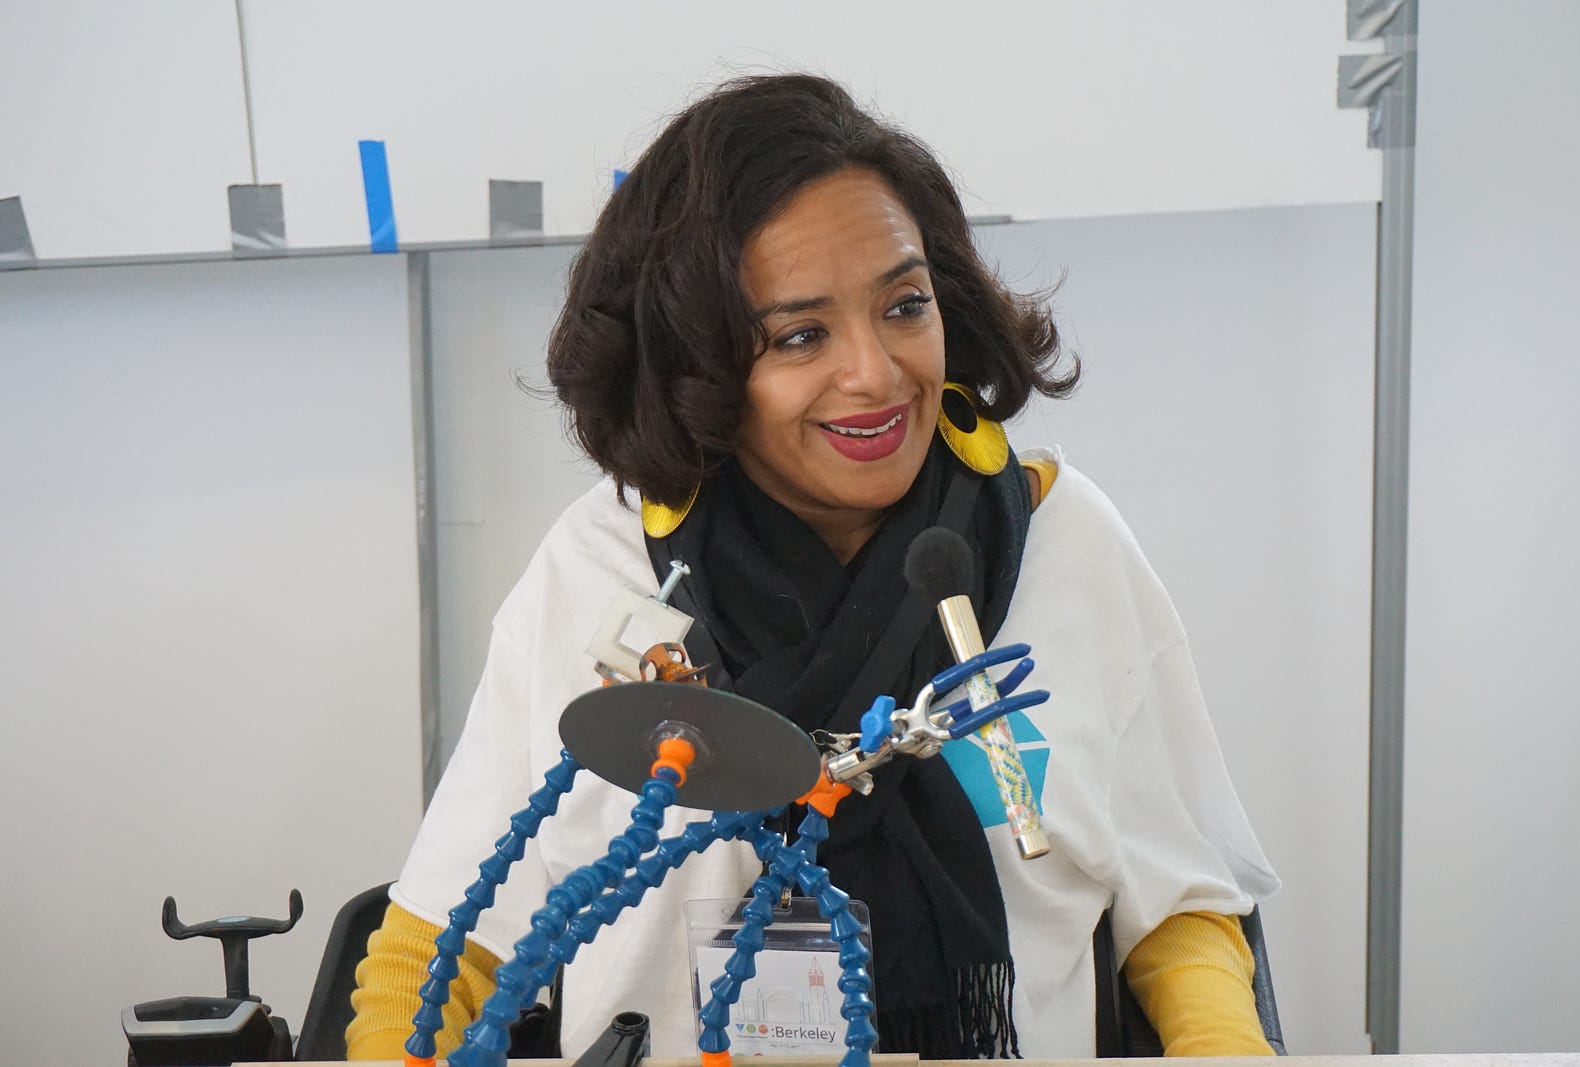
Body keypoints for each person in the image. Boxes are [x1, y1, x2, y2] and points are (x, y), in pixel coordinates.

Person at [348, 73, 1280, 1061]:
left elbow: (1179, 909)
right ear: (699, 365)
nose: (876, 372)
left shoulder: (1063, 539)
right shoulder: (603, 569)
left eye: (905, 305)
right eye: (800, 335)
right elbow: (442, 943)